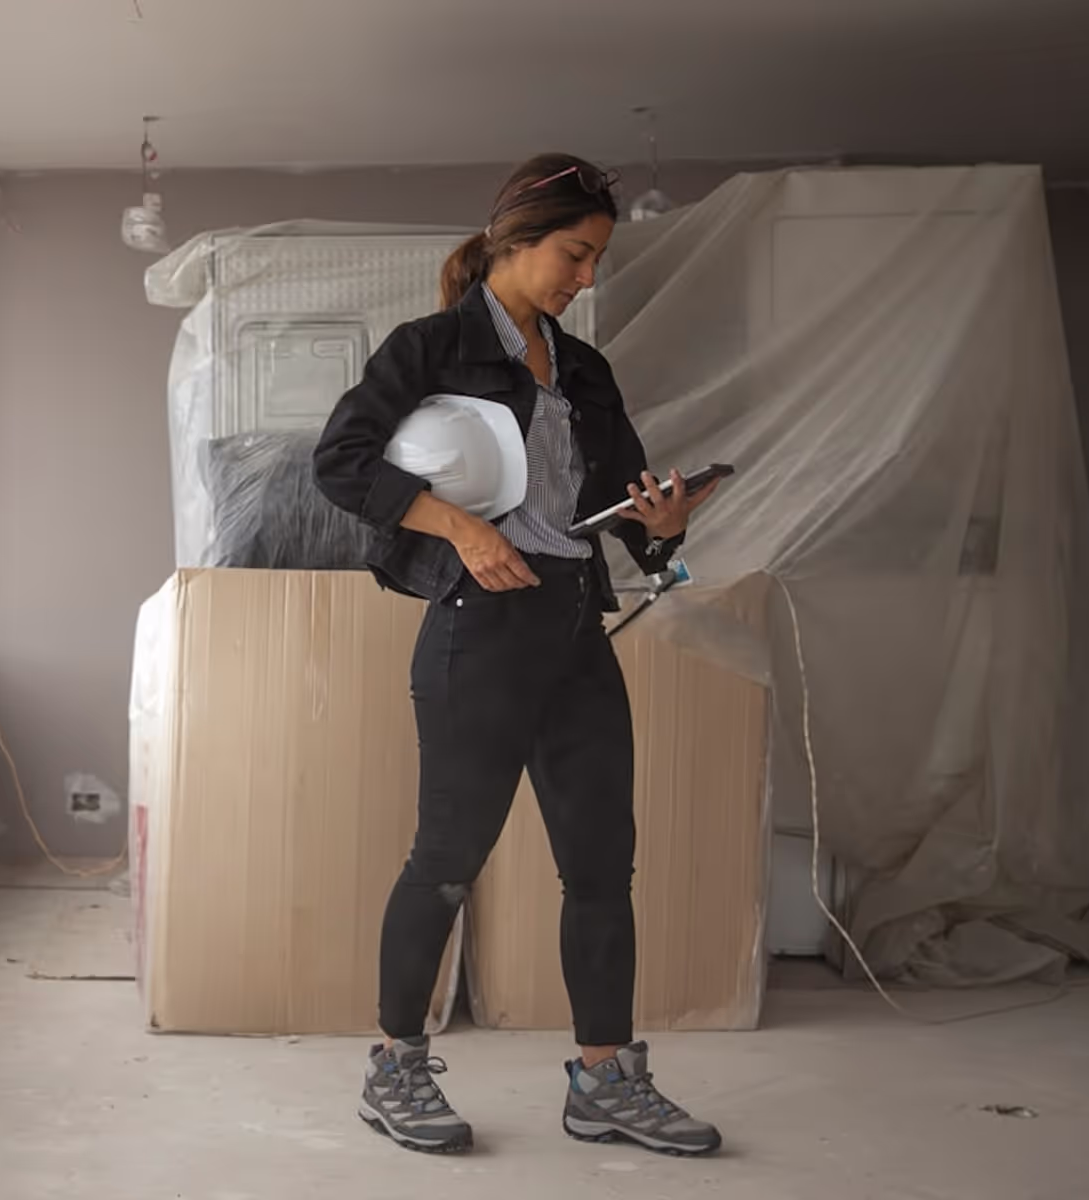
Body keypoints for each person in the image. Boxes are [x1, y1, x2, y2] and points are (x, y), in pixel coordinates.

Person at [312, 153, 724, 1158]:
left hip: (576, 631)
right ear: (516, 239)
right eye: (573, 255)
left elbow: (625, 513)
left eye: (595, 262)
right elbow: (340, 460)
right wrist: (457, 527)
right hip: (478, 629)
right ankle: (395, 1067)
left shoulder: (584, 371)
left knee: (599, 867)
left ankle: (604, 1079)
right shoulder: (432, 347)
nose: (584, 279)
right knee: (447, 860)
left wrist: (661, 522)